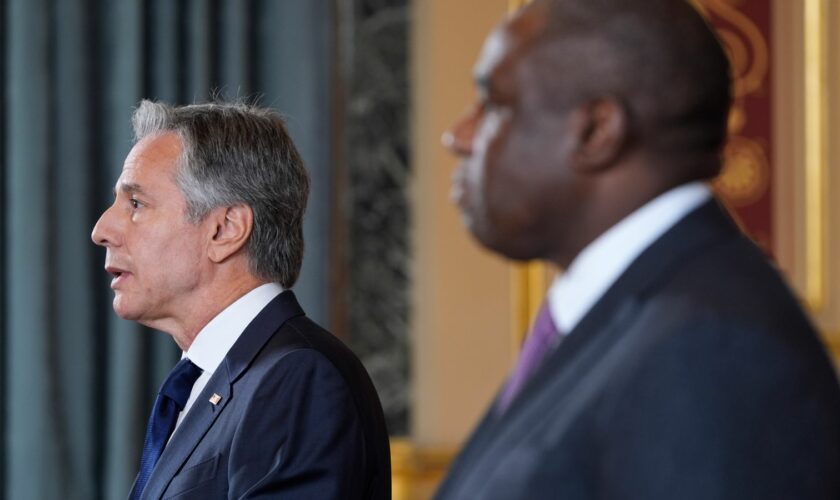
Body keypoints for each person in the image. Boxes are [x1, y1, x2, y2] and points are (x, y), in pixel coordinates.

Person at [435, 0, 840, 498]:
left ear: (596, 130)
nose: (457, 136)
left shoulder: (709, 349)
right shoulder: (638, 315)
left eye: (494, 105)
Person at [91, 100, 391, 499]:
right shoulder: (214, 379)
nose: (101, 230)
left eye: (136, 204)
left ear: (225, 230)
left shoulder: (297, 380)